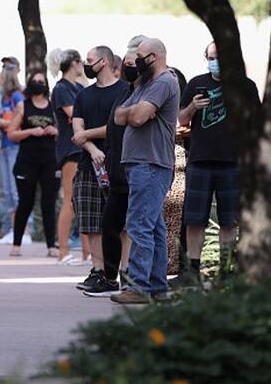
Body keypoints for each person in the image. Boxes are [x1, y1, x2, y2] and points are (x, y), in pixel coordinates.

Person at [172, 41, 261, 287]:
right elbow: (180, 119)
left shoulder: (245, 86)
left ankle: (226, 270)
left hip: (233, 161)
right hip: (200, 160)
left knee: (229, 219)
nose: (215, 61)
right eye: (211, 57)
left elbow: (256, 122)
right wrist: (193, 107)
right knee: (194, 219)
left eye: (219, 57)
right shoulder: (196, 83)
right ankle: (192, 271)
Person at [111, 38, 180, 304]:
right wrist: (135, 112)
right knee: (153, 228)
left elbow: (137, 118)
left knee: (139, 226)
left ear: (154, 56)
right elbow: (119, 116)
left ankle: (139, 288)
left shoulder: (163, 82)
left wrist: (136, 113)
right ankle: (157, 287)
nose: (136, 62)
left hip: (150, 164)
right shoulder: (146, 85)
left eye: (140, 57)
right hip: (142, 164)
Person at [83, 46, 141, 297]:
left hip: (137, 169)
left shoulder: (150, 89)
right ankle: (110, 279)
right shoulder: (126, 92)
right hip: (116, 169)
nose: (127, 67)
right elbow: (114, 122)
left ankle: (137, 279)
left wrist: (123, 115)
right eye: (125, 62)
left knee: (138, 226)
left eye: (131, 63)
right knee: (109, 224)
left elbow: (134, 119)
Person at [72, 46, 128, 292]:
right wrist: (93, 150)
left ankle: (124, 271)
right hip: (88, 165)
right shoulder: (83, 96)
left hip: (118, 164)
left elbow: (116, 125)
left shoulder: (124, 91)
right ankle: (99, 271)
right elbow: (76, 131)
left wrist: (86, 135)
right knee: (90, 222)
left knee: (121, 223)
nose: (86, 64)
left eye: (90, 60)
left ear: (104, 62)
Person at [7, 70, 58, 257]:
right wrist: (30, 132)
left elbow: (67, 133)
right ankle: (17, 244)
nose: (38, 83)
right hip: (27, 161)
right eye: (35, 81)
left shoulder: (53, 107)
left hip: (49, 161)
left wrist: (55, 130)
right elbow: (11, 133)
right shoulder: (23, 105)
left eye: (41, 81)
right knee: (25, 203)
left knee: (48, 203)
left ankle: (51, 246)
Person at [49, 48, 88, 265]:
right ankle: (63, 251)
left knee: (83, 202)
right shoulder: (62, 88)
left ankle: (87, 252)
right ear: (73, 63)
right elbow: (75, 115)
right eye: (81, 61)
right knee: (69, 200)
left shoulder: (79, 87)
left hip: (82, 148)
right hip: (70, 148)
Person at [0, 64, 29, 244]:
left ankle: (24, 231)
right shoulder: (3, 98)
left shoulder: (17, 96)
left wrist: (4, 124)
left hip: (14, 146)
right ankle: (12, 229)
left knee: (15, 189)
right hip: (3, 145)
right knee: (6, 189)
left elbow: (22, 116)